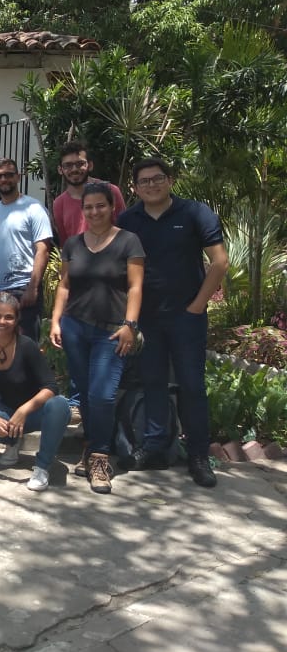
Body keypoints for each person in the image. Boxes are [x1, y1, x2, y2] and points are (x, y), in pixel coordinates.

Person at [116, 157, 228, 488]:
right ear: (135, 187)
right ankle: (153, 448)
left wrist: (196, 306)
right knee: (151, 382)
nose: (151, 185)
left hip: (186, 317)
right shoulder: (128, 219)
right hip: (147, 318)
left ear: (170, 180)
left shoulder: (194, 213)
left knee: (192, 386)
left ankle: (197, 455)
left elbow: (219, 262)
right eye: (144, 181)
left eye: (157, 179)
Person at [49, 182, 144, 494]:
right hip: (75, 327)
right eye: (88, 207)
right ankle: (91, 448)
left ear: (111, 206)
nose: (94, 211)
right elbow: (64, 285)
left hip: (111, 330)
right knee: (87, 394)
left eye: (100, 205)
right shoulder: (73, 244)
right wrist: (56, 321)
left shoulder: (129, 242)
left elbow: (135, 287)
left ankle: (101, 457)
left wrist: (131, 324)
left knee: (103, 395)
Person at [0, 292, 72, 492]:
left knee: (60, 405)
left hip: (33, 412)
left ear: (16, 320)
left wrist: (24, 411)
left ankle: (42, 467)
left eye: (9, 317)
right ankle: (12, 443)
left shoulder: (27, 346)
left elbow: (51, 387)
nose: (2, 321)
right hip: (7, 412)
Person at [0, 159, 54, 341]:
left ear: (18, 177)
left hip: (23, 288)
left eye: (8, 175)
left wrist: (33, 288)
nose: (3, 179)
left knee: (25, 346)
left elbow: (43, 249)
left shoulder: (33, 208)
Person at [51, 141, 127, 244]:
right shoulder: (59, 204)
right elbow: (65, 244)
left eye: (80, 164)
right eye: (68, 165)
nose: (74, 169)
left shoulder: (111, 191)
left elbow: (124, 230)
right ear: (60, 170)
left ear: (90, 165)